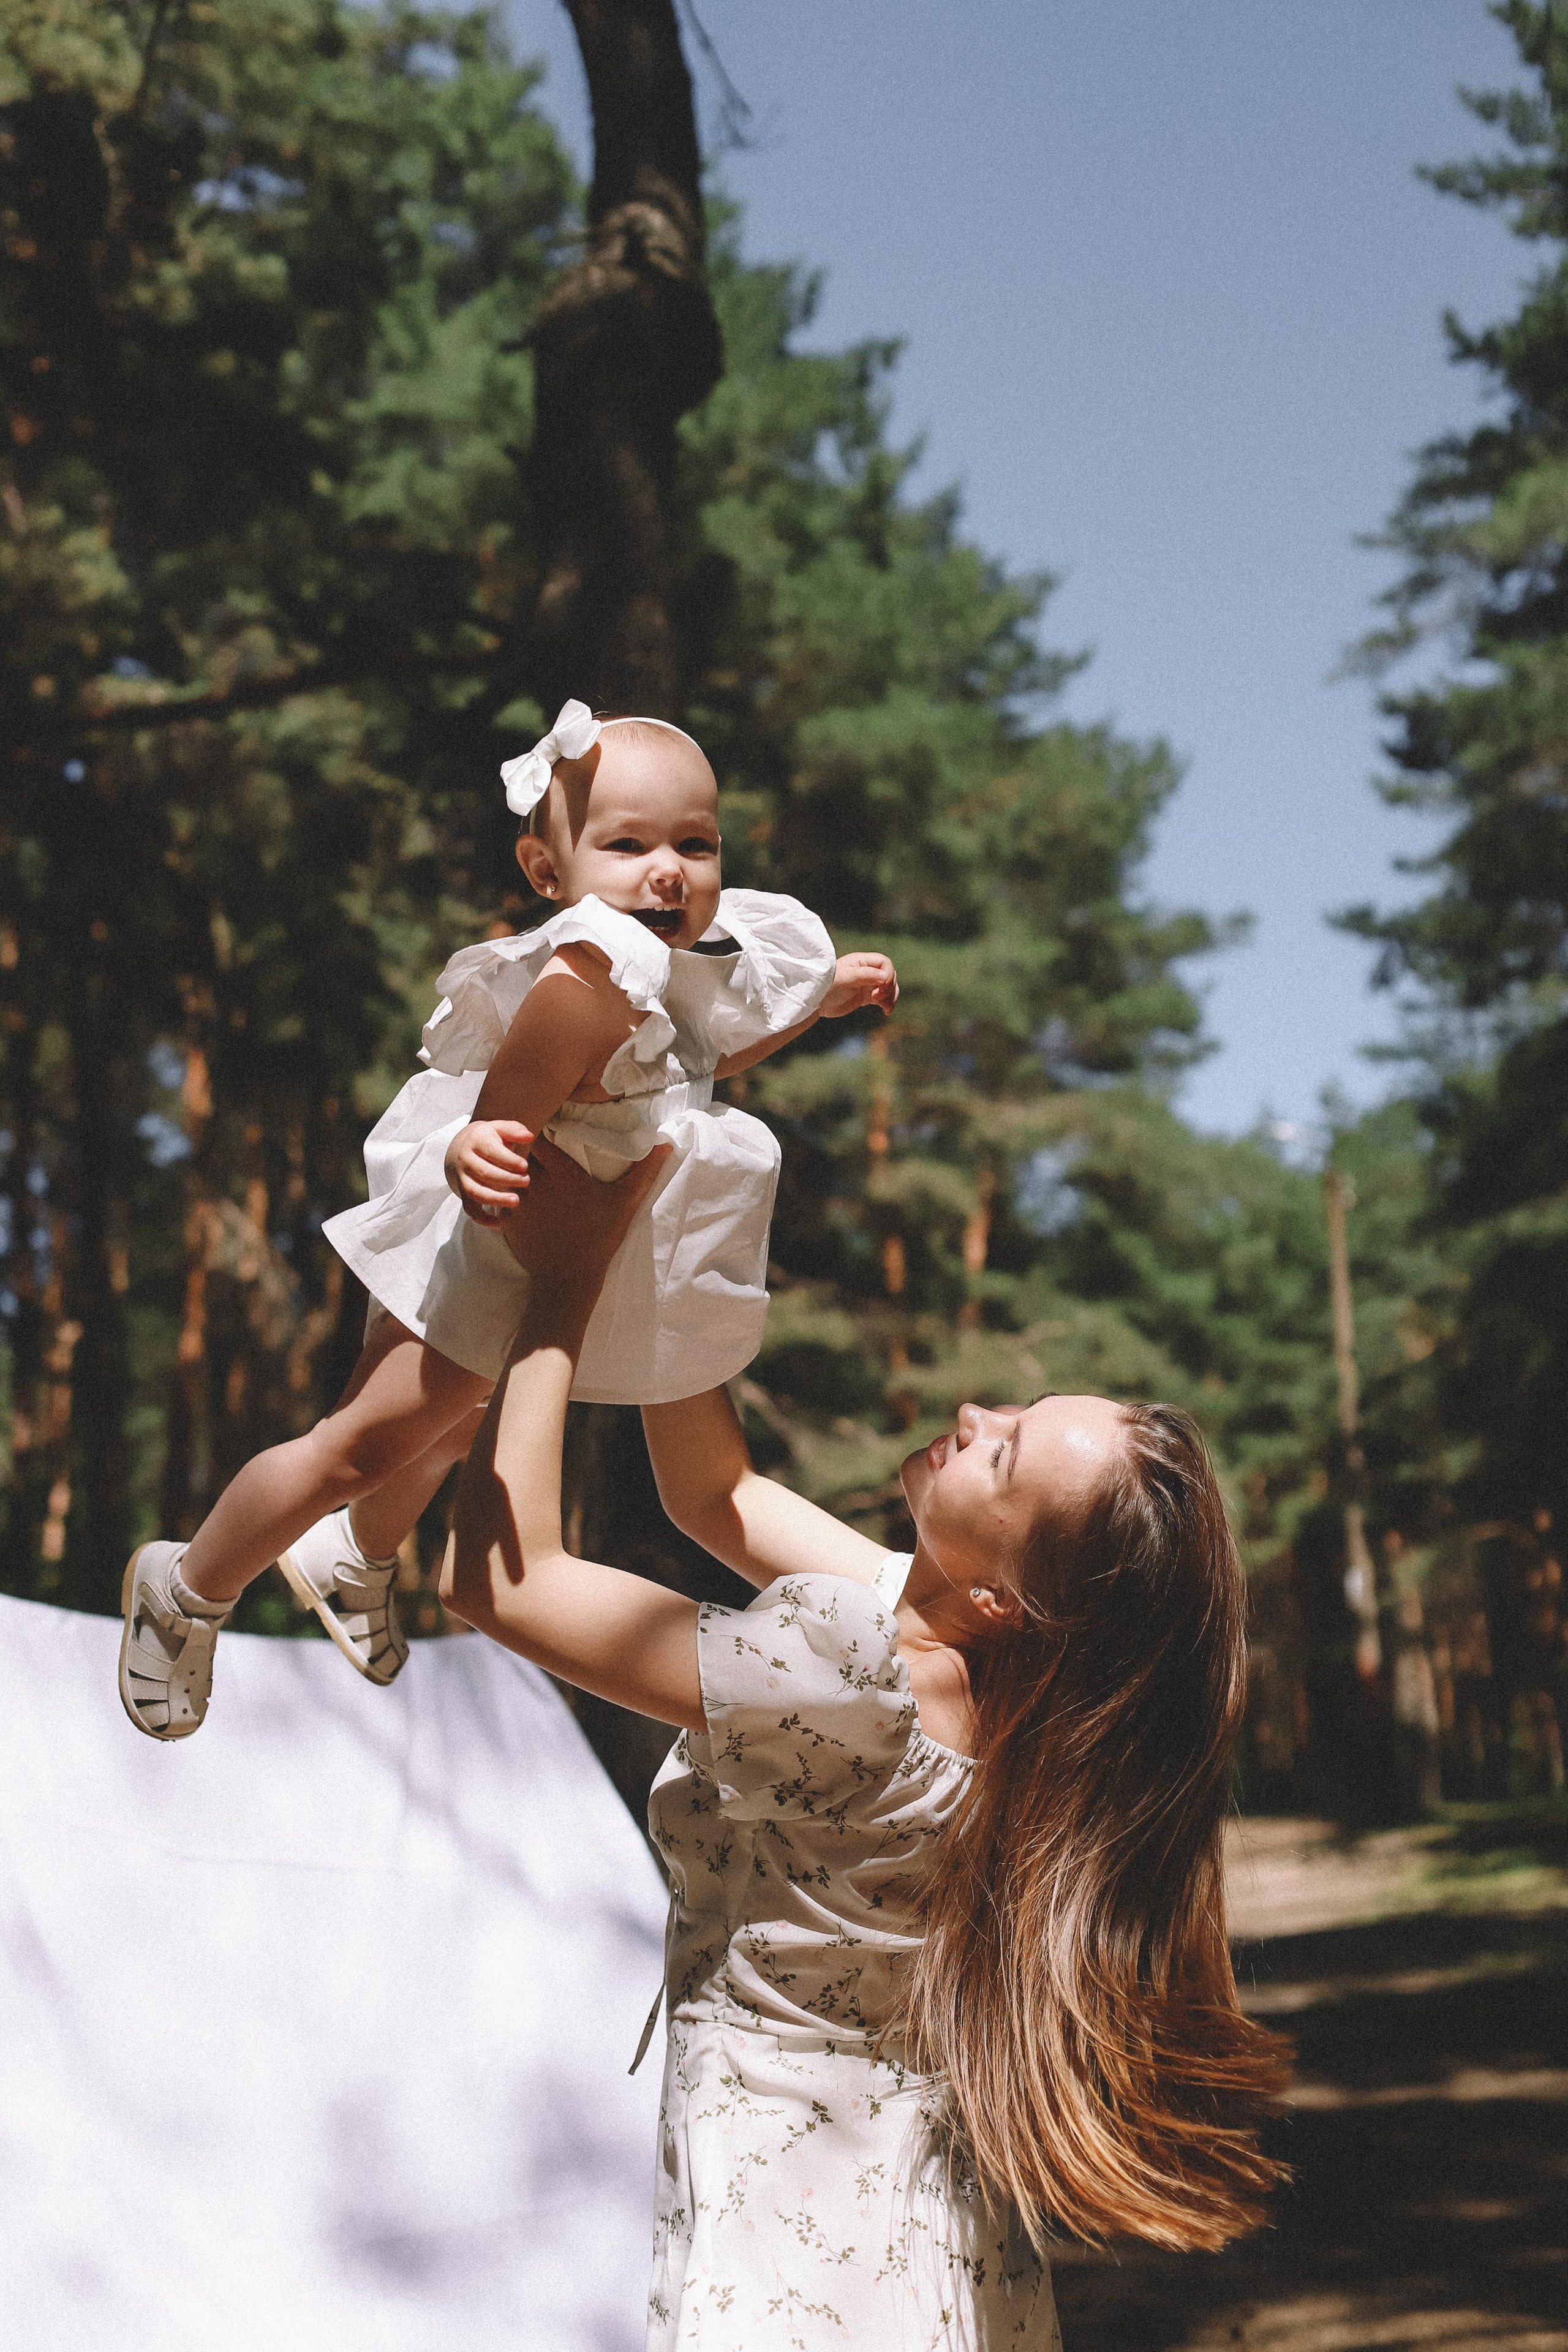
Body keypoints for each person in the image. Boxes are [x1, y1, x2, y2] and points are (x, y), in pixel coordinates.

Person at [443, 1139, 1291, 2350]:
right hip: (919, 2237)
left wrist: (561, 1279)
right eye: (1007, 1416)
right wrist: (660, 1218)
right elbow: (713, 1493)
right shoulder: (1009, 1684)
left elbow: (499, 1580)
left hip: (793, 2250)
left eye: (999, 1454)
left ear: (1005, 1595)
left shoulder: (852, 1680)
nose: (970, 1414)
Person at [118, 701, 896, 1740]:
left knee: (449, 1421)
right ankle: (186, 1588)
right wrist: (468, 1151)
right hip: (501, 1218)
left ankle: (351, 1558)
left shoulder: (680, 960)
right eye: (627, 845)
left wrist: (812, 1004)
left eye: (695, 844)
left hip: (569, 1210)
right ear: (547, 871)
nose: (668, 870)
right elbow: (496, 1113)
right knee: (367, 1441)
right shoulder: (581, 983)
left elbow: (700, 1056)